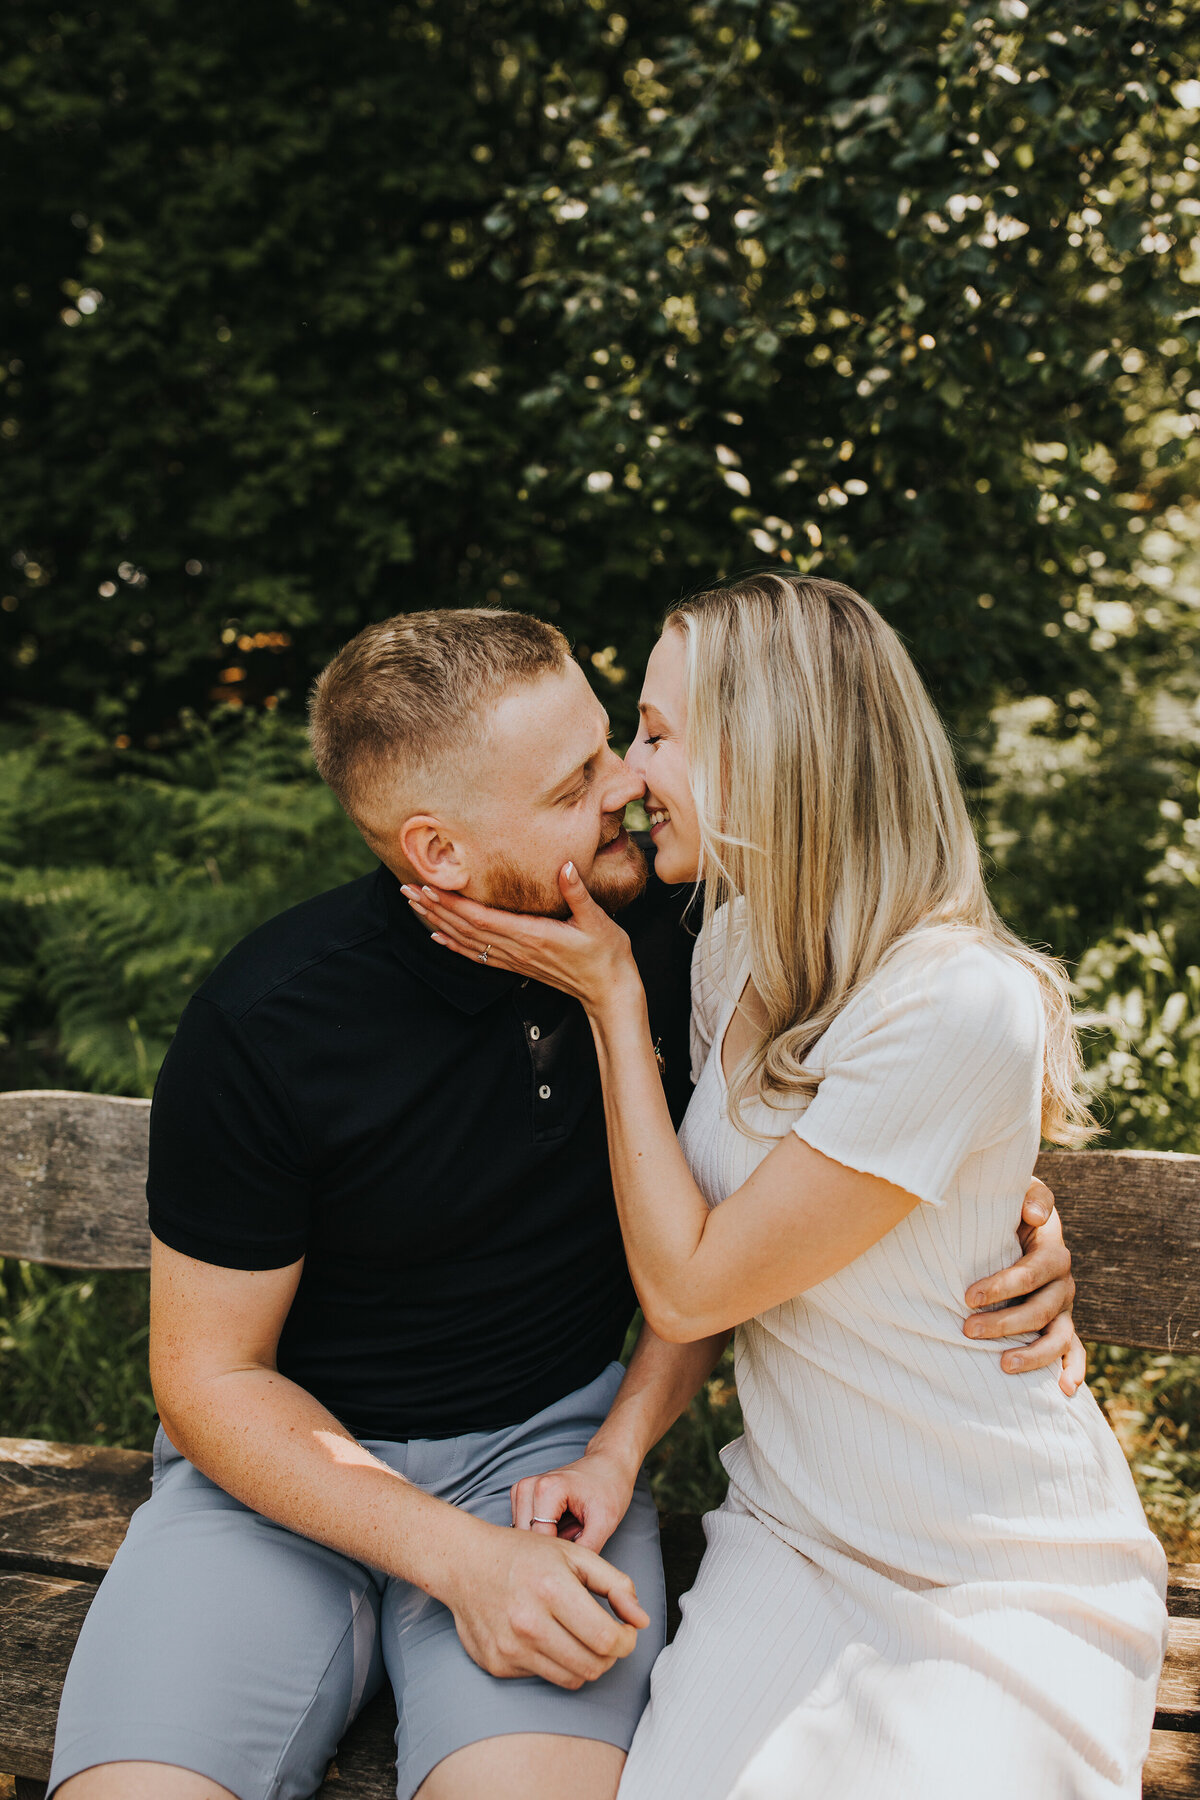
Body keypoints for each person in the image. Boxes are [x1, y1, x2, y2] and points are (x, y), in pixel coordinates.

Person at [49, 607, 1079, 1800]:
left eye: (616, 744)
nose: (626, 791)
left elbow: (857, 1119)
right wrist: (453, 1559)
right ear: (437, 852)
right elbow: (209, 1376)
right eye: (572, 782)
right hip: (285, 1482)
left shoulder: (689, 938)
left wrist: (1007, 1212)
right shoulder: (271, 1022)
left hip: (551, 1467)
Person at [408, 578, 1169, 1800]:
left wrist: (610, 998)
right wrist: (615, 1456)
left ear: (767, 748)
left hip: (996, 1561)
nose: (630, 775)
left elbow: (691, 1280)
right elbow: (733, 1239)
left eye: (655, 733)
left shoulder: (958, 1002)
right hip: (794, 1536)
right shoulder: (734, 939)